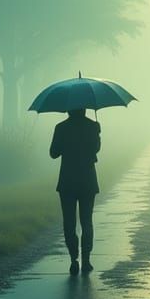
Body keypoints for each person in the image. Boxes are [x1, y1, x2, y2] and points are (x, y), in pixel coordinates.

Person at [49, 107, 101, 274]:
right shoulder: (92, 126)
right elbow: (96, 150)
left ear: (68, 109)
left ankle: (74, 260)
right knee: (87, 222)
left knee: (69, 223)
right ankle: (86, 260)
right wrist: (97, 133)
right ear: (85, 109)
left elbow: (53, 153)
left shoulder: (61, 127)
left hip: (67, 182)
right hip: (87, 181)